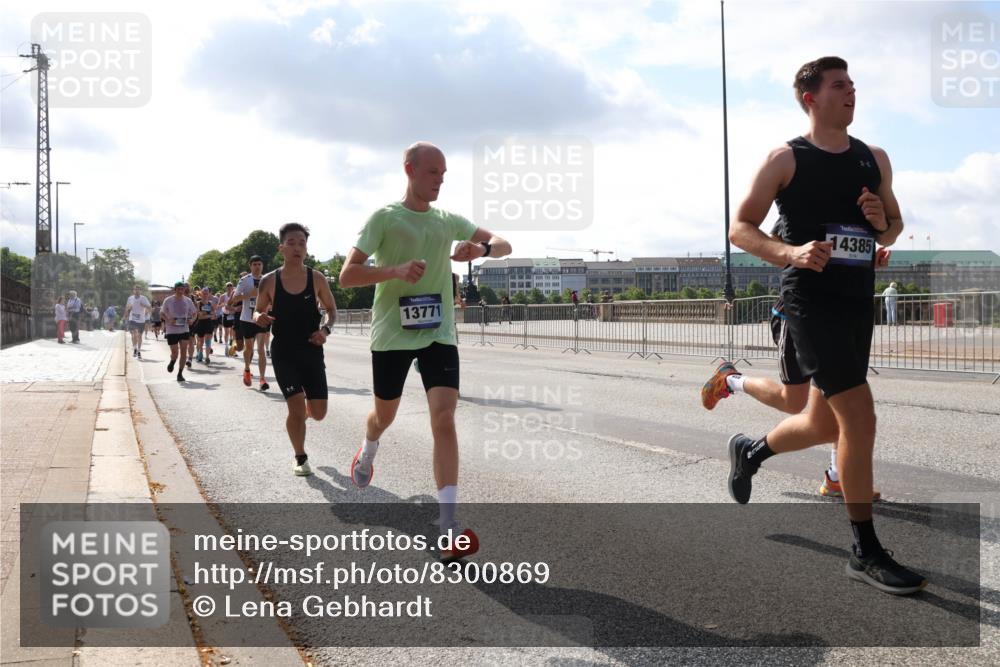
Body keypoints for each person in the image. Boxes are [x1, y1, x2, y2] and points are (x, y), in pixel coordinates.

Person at [725, 56, 924, 595]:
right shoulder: (786, 158)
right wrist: (788, 251)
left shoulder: (873, 158)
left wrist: (884, 226)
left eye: (854, 84)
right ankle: (865, 550)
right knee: (859, 417)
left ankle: (751, 451)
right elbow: (740, 228)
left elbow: (891, 226)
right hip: (809, 301)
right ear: (810, 98)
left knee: (823, 422)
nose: (851, 92)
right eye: (840, 86)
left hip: (856, 301)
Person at [339, 141, 512, 562]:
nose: (440, 180)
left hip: (438, 332)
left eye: (444, 174)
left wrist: (481, 250)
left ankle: (448, 526)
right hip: (393, 334)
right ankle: (369, 446)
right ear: (410, 169)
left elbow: (505, 244)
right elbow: (346, 276)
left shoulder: (446, 220)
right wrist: (394, 271)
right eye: (433, 172)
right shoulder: (384, 218)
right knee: (385, 415)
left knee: (445, 417)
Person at [703, 246, 891, 501]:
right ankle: (730, 380)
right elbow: (765, 244)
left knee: (841, 407)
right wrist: (795, 253)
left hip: (839, 319)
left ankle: (836, 477)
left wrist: (866, 261)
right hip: (798, 315)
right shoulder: (809, 208)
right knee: (793, 402)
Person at [253, 223, 337, 476]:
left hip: (311, 351)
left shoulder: (317, 278)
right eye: (291, 243)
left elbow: (332, 312)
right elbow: (258, 309)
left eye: (302, 243)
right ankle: (300, 457)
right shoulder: (269, 281)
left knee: (319, 413)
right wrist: (259, 317)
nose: (297, 247)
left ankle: (302, 416)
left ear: (306, 249)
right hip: (284, 352)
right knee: (296, 408)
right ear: (281, 248)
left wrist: (325, 331)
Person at [231, 257, 271, 390]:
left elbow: (272, 297)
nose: (257, 266)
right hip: (247, 319)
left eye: (259, 264)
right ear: (250, 266)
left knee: (261, 350)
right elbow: (235, 299)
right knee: (249, 349)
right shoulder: (244, 280)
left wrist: (270, 305)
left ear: (262, 265)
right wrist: (249, 294)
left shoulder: (267, 279)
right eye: (254, 264)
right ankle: (247, 369)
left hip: (261, 319)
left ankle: (262, 379)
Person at [160, 282, 196, 382]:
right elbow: (162, 313)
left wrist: (192, 320)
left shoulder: (188, 300)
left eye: (182, 289)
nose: (181, 291)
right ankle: (172, 361)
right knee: (175, 352)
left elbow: (194, 313)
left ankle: (180, 373)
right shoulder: (168, 300)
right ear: (175, 290)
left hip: (184, 329)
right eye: (179, 289)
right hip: (171, 330)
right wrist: (168, 319)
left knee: (184, 351)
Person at [124, 285, 151, 359]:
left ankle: (139, 350)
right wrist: (125, 316)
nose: (136, 291)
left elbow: (149, 307)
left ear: (140, 291)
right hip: (132, 319)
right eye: (135, 289)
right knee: (133, 335)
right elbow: (127, 308)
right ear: (133, 290)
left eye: (138, 289)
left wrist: (144, 305)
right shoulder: (130, 298)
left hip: (141, 320)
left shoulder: (143, 298)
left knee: (139, 336)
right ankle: (135, 348)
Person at [193, 286, 218, 364]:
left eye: (206, 293)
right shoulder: (198, 303)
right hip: (200, 324)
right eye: (204, 293)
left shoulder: (211, 303)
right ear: (201, 294)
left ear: (209, 294)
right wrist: (209, 314)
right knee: (200, 341)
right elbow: (200, 316)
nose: (205, 295)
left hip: (209, 324)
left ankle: (207, 357)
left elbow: (214, 315)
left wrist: (208, 315)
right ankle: (200, 353)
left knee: (208, 341)